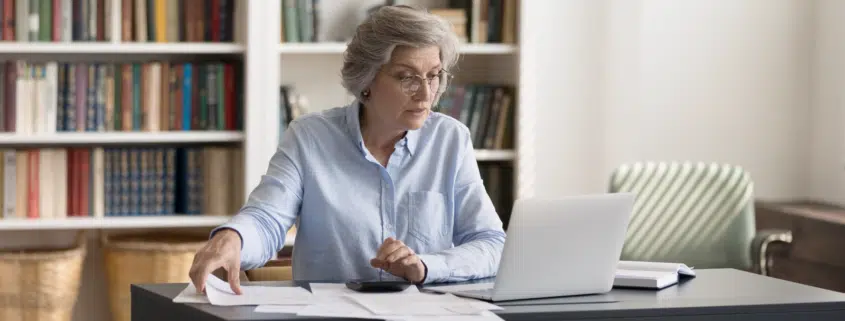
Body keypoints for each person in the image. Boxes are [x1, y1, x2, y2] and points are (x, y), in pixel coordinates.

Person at [189, 5, 506, 294]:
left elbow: (492, 244)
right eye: (406, 77)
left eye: (434, 75)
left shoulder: (450, 140)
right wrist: (232, 238)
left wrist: (425, 266)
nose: (425, 93)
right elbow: (267, 219)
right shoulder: (310, 137)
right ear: (367, 78)